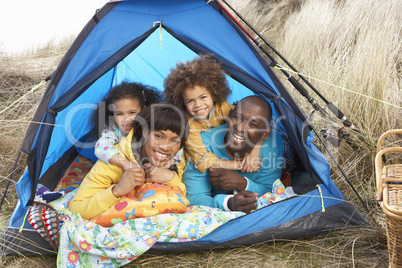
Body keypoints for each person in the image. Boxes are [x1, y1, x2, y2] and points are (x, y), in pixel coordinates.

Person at [69, 104, 189, 220]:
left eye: (174, 141)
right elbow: (76, 208)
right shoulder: (113, 161)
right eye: (158, 136)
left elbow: (184, 200)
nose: (166, 147)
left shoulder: (175, 160)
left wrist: (171, 178)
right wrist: (117, 190)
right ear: (145, 132)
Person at [183, 96, 284, 213]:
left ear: (264, 134)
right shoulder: (202, 146)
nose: (240, 128)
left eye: (253, 125)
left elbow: (271, 191)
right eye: (237, 118)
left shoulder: (274, 142)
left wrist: (241, 183)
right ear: (229, 116)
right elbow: (194, 198)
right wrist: (228, 203)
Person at [163, 55, 262, 174]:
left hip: (228, 152)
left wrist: (253, 155)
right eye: (190, 101)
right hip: (204, 166)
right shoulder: (187, 124)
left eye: (203, 97)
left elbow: (260, 127)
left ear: (214, 94)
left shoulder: (224, 108)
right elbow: (203, 159)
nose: (198, 105)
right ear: (182, 103)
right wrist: (242, 165)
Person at [91, 81, 163, 171]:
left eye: (132, 112)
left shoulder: (151, 127)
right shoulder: (114, 131)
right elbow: (100, 148)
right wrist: (125, 163)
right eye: (119, 114)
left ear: (144, 110)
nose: (126, 119)